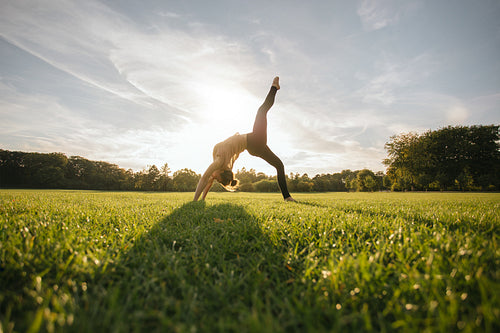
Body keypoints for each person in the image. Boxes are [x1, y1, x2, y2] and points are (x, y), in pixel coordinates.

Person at [193, 77, 296, 202]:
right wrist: (194, 201)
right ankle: (274, 88)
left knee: (279, 165)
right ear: (221, 172)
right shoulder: (220, 162)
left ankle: (287, 197)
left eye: (216, 179)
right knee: (261, 111)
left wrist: (201, 199)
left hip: (254, 146)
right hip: (254, 142)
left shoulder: (220, 164)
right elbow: (204, 179)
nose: (214, 178)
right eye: (218, 179)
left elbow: (207, 181)